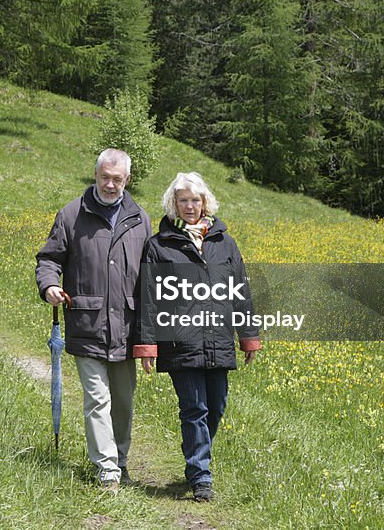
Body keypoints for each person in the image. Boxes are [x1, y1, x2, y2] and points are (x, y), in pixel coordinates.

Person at [133, 171, 261, 502]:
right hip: (180, 341)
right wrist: (146, 345)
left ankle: (194, 451)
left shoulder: (224, 242)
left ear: (205, 202)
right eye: (183, 200)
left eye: (195, 199)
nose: (190, 206)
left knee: (216, 406)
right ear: (173, 204)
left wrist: (248, 336)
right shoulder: (159, 246)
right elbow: (148, 298)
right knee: (195, 409)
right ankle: (200, 476)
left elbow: (240, 292)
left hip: (219, 338)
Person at [36, 148, 152, 490]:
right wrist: (49, 287)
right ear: (96, 175)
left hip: (127, 328)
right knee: (97, 399)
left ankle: (121, 460)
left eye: (117, 179)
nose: (111, 185)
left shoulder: (140, 218)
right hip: (86, 323)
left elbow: (150, 273)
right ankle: (107, 471)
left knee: (124, 401)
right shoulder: (72, 214)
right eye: (105, 177)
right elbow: (49, 259)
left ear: (127, 180)